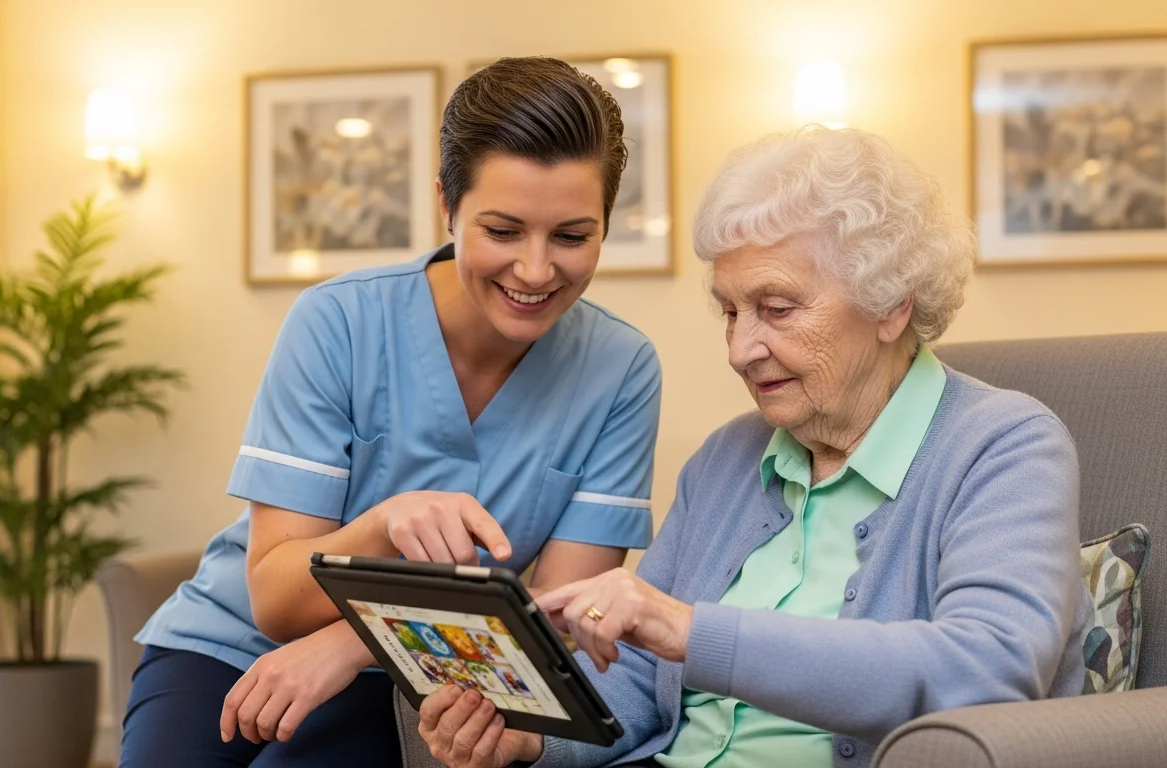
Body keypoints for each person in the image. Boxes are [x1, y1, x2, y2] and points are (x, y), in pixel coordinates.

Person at [417, 127, 1089, 768]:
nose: (741, 351)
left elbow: (989, 668)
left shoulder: (1003, 446)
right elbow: (639, 675)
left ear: (892, 305)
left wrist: (694, 632)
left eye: (778, 308)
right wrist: (532, 741)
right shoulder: (729, 458)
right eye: (731, 312)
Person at [119, 56, 664, 767]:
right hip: (225, 642)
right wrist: (384, 522)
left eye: (571, 236)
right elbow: (275, 600)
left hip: (421, 677)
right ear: (447, 205)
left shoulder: (621, 369)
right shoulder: (338, 321)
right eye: (502, 231)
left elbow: (552, 629)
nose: (535, 270)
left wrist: (348, 644)